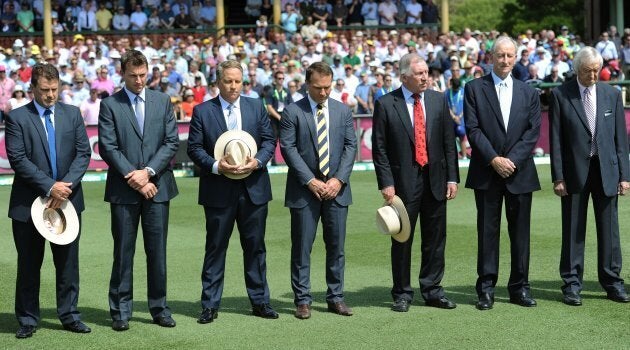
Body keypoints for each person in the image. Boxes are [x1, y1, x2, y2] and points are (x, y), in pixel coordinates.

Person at [187, 59, 278, 323]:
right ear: (218, 82)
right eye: (228, 81)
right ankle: (210, 304)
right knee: (215, 248)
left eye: (238, 81)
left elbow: (269, 141)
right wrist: (217, 165)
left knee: (256, 247)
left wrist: (257, 161)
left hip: (254, 189)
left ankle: (260, 301)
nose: (233, 86)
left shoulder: (256, 106)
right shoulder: (203, 111)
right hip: (218, 191)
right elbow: (194, 148)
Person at [5, 63, 91, 338]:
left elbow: (83, 153)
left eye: (55, 89)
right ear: (32, 89)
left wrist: (64, 187)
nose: (50, 95)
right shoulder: (17, 117)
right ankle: (28, 320)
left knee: (67, 264)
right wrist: (49, 186)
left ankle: (69, 315)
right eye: (44, 90)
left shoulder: (72, 113)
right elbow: (18, 159)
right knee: (29, 264)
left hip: (67, 201)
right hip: (28, 205)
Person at [98, 49, 179, 331]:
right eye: (133, 76)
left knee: (157, 252)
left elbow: (171, 142)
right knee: (123, 251)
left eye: (143, 74)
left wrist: (148, 173)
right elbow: (108, 147)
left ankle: (159, 308)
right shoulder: (109, 105)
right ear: (122, 74)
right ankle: (120, 310)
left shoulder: (163, 100)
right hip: (124, 190)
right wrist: (135, 177)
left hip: (158, 186)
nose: (139, 80)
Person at [371, 53, 459, 313]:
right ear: (404, 77)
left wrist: (452, 177)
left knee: (435, 238)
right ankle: (402, 293)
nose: (425, 77)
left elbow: (448, 143)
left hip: (435, 180)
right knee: (401, 239)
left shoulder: (438, 99)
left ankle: (432, 290)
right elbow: (380, 148)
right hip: (401, 185)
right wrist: (386, 183)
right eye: (419, 74)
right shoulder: (387, 104)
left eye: (426, 73)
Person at [464, 36, 541, 311]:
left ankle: (520, 288)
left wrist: (512, 161)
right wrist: (495, 159)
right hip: (487, 172)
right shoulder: (473, 88)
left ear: (517, 56)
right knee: (487, 233)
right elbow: (473, 130)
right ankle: (486, 290)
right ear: (491, 57)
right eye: (500, 55)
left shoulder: (530, 92)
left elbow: (532, 132)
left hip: (520, 173)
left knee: (521, 234)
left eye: (510, 55)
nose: (505, 60)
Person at [549, 47, 630, 306]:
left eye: (596, 70)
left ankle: (612, 282)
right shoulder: (560, 95)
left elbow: (621, 140)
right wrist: (558, 176)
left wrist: (624, 176)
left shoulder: (612, 94)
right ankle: (571, 285)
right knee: (573, 230)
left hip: (607, 170)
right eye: (587, 71)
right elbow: (556, 140)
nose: (593, 75)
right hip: (574, 172)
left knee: (610, 231)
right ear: (576, 70)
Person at [280, 61, 357, 319]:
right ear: (307, 85)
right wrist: (310, 181)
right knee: (302, 247)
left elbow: (350, 147)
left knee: (337, 247)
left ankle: (336, 297)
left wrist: (338, 180)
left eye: (327, 87)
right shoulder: (292, 112)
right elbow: (288, 149)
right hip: (304, 191)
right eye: (318, 88)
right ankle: (302, 300)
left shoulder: (343, 111)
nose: (323, 92)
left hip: (337, 190)